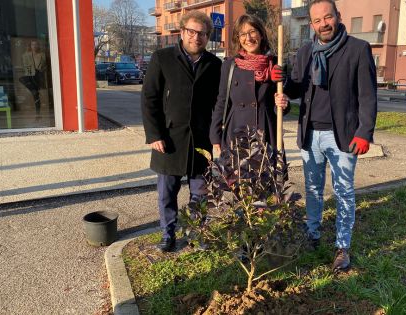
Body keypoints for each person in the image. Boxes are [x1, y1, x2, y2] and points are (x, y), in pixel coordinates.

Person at [275, 0, 377, 272]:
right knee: (312, 189)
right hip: (310, 134)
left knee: (344, 191)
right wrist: (282, 81)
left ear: (338, 16)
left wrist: (365, 132)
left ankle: (342, 246)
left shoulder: (357, 49)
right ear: (312, 24)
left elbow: (367, 96)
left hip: (343, 135)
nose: (323, 24)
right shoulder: (306, 51)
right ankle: (312, 233)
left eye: (328, 17)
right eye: (317, 20)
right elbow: (296, 88)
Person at [141, 11, 222, 252]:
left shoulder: (214, 64)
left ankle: (198, 233)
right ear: (182, 31)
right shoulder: (162, 58)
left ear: (208, 37)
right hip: (169, 139)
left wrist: (217, 136)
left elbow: (220, 102)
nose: (196, 37)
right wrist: (154, 134)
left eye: (202, 33)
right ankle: (168, 234)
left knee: (200, 193)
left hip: (201, 141)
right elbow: (149, 98)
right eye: (192, 32)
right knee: (167, 194)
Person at [209, 14, 287, 153]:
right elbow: (221, 101)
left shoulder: (275, 63)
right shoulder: (230, 65)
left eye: (252, 32)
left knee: (265, 173)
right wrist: (215, 136)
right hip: (236, 132)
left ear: (261, 34)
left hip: (266, 132)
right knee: (238, 174)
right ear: (238, 39)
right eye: (243, 34)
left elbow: (282, 104)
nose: (248, 38)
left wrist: (282, 102)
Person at [20, 39, 46, 118]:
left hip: (38, 75)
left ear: (38, 46)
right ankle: (33, 90)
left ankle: (38, 114)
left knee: (36, 96)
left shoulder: (42, 54)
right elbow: (24, 66)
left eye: (36, 44)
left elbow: (44, 66)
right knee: (21, 78)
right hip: (29, 75)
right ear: (30, 46)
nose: (34, 46)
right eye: (32, 44)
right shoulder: (25, 55)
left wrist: (41, 69)